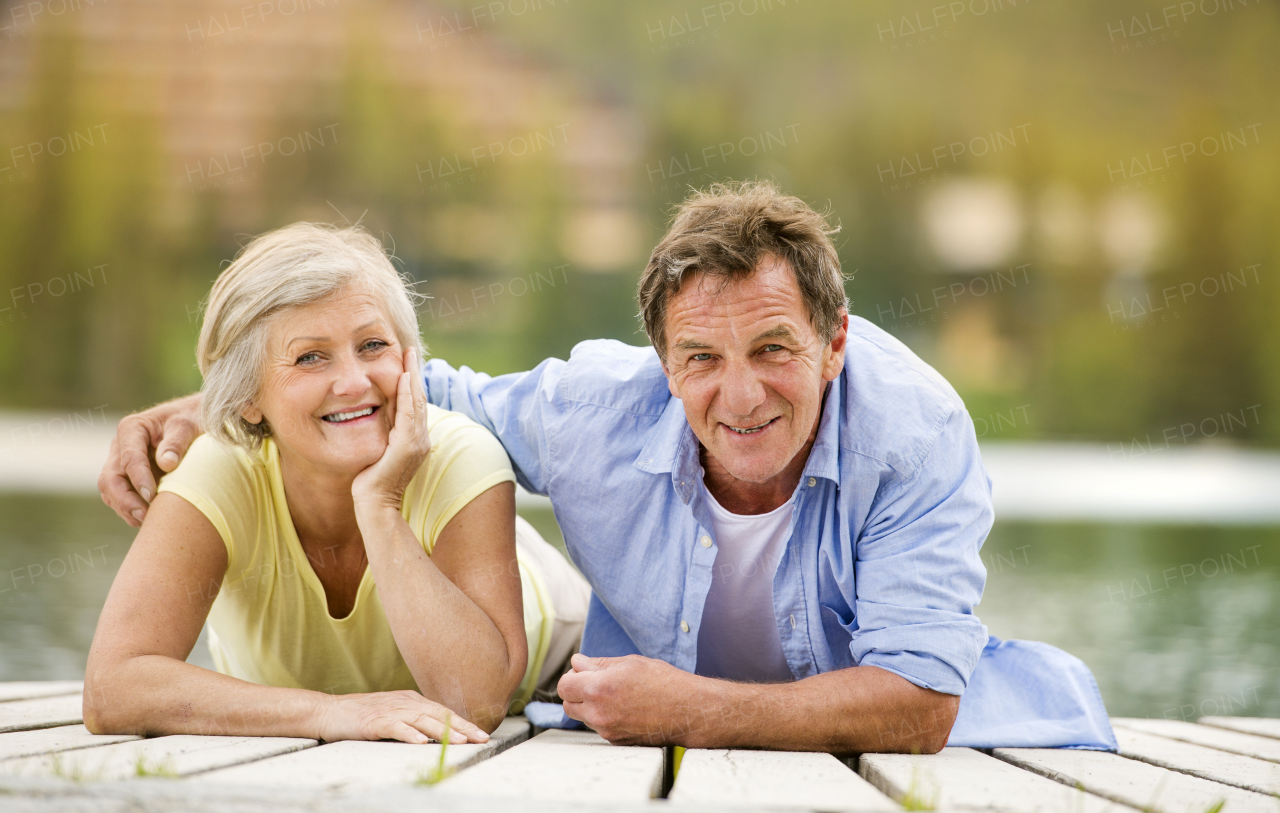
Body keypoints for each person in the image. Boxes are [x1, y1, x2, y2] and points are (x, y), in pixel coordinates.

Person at [99, 183, 1115, 753]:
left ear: (834, 339)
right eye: (700, 360)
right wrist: (223, 404)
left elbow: (915, 706)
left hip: (825, 735)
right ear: (660, 363)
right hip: (636, 723)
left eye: (773, 349)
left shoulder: (914, 434)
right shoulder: (594, 410)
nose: (741, 394)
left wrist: (691, 709)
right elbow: (411, 387)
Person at [85, 223, 589, 744]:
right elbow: (112, 687)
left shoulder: (461, 454)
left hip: (553, 640)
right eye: (310, 356)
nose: (353, 382)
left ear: (409, 360)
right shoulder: (218, 469)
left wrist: (380, 504)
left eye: (373, 345)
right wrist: (331, 713)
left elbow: (473, 703)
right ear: (247, 397)